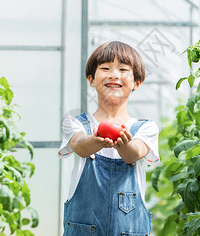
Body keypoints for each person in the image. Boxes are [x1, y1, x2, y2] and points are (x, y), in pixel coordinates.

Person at [58, 41, 159, 235]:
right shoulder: (76, 123)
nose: (113, 74)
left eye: (123, 69)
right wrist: (96, 140)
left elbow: (134, 154)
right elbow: (80, 146)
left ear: (137, 83)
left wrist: (123, 145)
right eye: (105, 68)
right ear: (91, 79)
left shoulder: (144, 128)